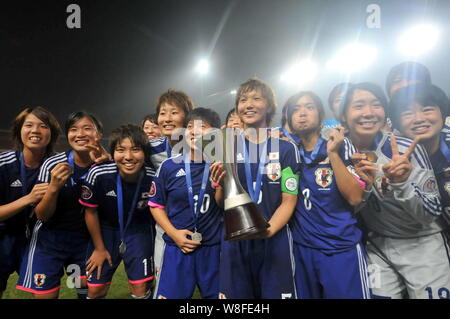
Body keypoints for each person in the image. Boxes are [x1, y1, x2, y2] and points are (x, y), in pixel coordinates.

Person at [341, 82, 449, 299]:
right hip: (377, 246)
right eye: (359, 106)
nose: (369, 113)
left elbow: (430, 213)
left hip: (422, 242)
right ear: (343, 115)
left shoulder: (406, 148)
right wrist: (367, 187)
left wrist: (401, 182)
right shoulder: (337, 152)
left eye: (376, 105)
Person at [283, 91, 371, 299]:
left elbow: (355, 197)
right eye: (296, 109)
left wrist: (333, 154)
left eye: (309, 107)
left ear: (320, 115)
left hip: (340, 248)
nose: (302, 113)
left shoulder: (339, 144)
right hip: (302, 249)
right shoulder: (288, 151)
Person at [217, 78, 300, 299]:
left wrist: (269, 229)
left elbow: (289, 199)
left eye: (256, 98)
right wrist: (217, 184)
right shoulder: (227, 146)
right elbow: (221, 202)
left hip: (274, 239)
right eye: (243, 100)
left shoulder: (286, 148)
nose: (249, 104)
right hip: (238, 239)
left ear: (269, 106)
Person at [16, 111, 105, 299]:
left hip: (84, 241)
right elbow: (42, 215)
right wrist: (54, 188)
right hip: (49, 240)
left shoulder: (106, 166)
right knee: (46, 295)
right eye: (73, 129)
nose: (80, 134)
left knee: (90, 292)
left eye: (87, 128)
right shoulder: (53, 164)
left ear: (99, 135)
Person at [149, 108, 223, 299]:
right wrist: (174, 234)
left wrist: (221, 183)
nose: (194, 131)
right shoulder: (169, 166)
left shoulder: (221, 164)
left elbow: (223, 205)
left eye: (202, 127)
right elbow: (156, 205)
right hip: (177, 248)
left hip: (213, 248)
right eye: (190, 126)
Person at [80, 124, 155, 299]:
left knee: (140, 287)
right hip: (106, 232)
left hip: (138, 231)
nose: (128, 157)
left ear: (144, 153)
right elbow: (90, 212)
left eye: (135, 150)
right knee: (95, 289)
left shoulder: (153, 177)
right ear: (112, 153)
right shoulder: (98, 174)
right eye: (121, 150)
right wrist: (99, 248)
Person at [0, 107, 60, 299]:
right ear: (19, 130)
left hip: (41, 240)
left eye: (43, 126)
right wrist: (28, 199)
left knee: (44, 293)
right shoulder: (4, 164)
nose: (35, 130)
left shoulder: (57, 166)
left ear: (51, 134)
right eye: (29, 125)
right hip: (4, 237)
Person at [388, 83, 450, 226]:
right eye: (407, 113)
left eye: (427, 110)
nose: (419, 118)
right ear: (396, 123)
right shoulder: (391, 161)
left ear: (443, 113)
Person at [149, 89, 194, 278]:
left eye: (174, 112)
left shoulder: (200, 146)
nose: (167, 118)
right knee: (165, 282)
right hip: (165, 226)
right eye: (162, 113)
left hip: (199, 222)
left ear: (186, 117)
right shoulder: (150, 148)